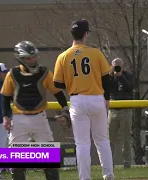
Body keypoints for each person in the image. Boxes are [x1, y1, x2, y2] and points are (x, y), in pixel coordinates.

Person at [53, 19, 114, 180]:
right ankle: (108, 176)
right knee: (102, 141)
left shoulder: (63, 56)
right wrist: (107, 98)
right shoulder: (96, 52)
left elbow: (57, 83)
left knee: (82, 144)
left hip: (77, 101)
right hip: (96, 99)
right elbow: (106, 78)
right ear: (86, 34)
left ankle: (85, 178)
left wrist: (74, 82)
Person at [0, 41, 69, 180]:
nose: (33, 60)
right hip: (19, 119)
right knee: (17, 158)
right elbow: (5, 97)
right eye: (29, 58)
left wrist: (65, 110)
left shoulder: (44, 72)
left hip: (39, 118)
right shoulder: (12, 74)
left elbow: (58, 93)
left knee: (49, 156)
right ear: (21, 58)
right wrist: (5, 117)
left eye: (34, 57)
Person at [108, 58, 134, 168]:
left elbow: (130, 88)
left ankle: (127, 163)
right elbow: (105, 89)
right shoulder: (109, 77)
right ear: (111, 66)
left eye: (119, 65)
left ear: (122, 66)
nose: (117, 68)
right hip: (113, 111)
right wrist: (112, 76)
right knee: (110, 139)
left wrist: (121, 76)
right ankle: (109, 163)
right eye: (115, 66)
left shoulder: (128, 75)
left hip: (125, 110)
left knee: (126, 139)